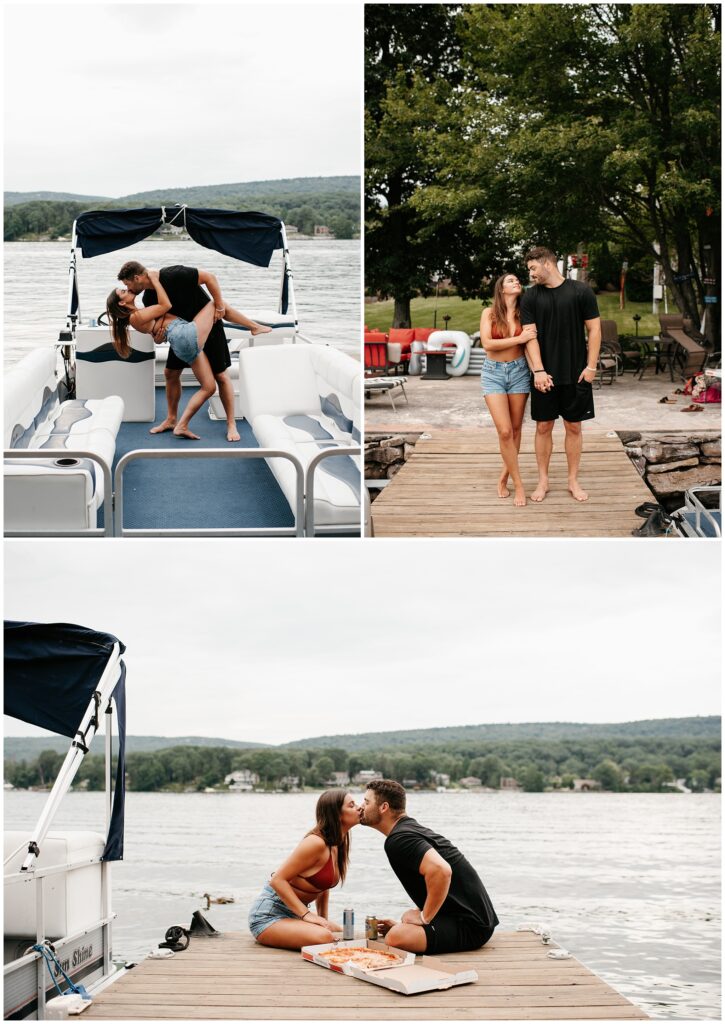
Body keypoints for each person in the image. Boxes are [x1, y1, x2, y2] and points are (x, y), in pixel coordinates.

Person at [118, 261, 271, 442]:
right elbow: (159, 325)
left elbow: (210, 278)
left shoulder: (173, 274)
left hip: (209, 325)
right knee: (171, 373)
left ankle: (231, 424)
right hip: (184, 333)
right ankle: (171, 419)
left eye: (127, 285)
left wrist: (220, 307)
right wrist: (158, 338)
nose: (128, 289)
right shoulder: (148, 299)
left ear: (136, 278)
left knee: (221, 376)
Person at [360, 779, 498, 955]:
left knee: (395, 937)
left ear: (383, 807)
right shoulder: (408, 830)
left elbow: (442, 870)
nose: (361, 806)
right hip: (474, 920)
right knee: (401, 925)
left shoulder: (399, 839)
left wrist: (425, 918)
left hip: (471, 927)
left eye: (366, 802)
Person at [520, 246, 602, 502]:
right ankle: (543, 481)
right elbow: (529, 337)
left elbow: (595, 330)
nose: (531, 274)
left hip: (576, 374)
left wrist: (591, 367)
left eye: (533, 268)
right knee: (543, 426)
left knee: (574, 427)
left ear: (547, 263)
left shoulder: (581, 291)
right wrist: (539, 371)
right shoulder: (530, 297)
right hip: (544, 375)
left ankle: (572, 481)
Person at [248, 789, 360, 950]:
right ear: (337, 814)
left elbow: (323, 886)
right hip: (268, 916)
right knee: (325, 938)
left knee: (341, 932)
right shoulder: (316, 842)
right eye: (351, 805)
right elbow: (277, 880)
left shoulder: (337, 844)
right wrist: (307, 915)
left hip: (294, 915)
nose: (359, 807)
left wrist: (323, 920)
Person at [480, 273, 553, 507]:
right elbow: (487, 344)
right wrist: (518, 338)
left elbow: (531, 341)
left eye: (517, 280)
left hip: (519, 371)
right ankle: (519, 484)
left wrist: (539, 370)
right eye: (510, 281)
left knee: (515, 429)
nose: (516, 282)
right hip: (493, 373)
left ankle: (504, 476)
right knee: (504, 431)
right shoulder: (489, 313)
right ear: (501, 289)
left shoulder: (525, 314)